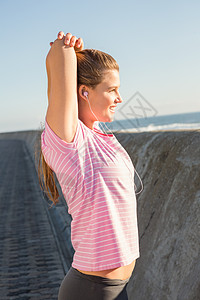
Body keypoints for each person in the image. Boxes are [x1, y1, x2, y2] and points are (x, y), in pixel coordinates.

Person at [39, 31, 140, 300]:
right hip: (91, 290)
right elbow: (59, 67)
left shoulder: (102, 137)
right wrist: (66, 48)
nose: (120, 98)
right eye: (112, 90)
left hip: (117, 288)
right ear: (84, 92)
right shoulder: (70, 142)